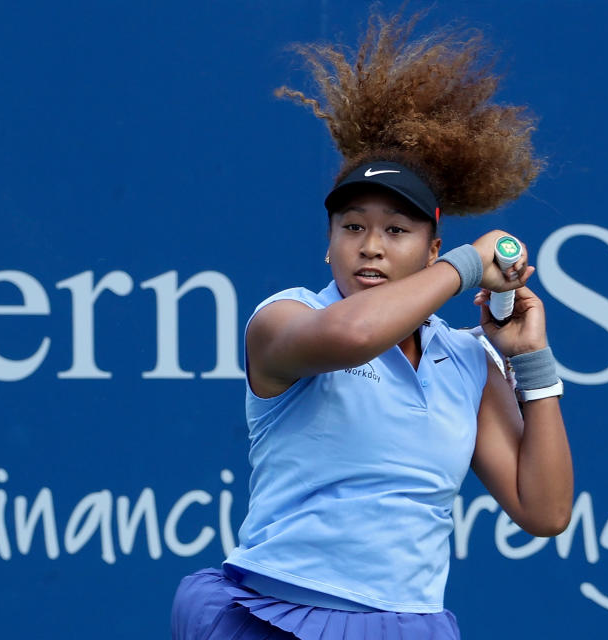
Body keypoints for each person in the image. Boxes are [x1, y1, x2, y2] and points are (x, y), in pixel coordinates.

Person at [171, 9, 573, 640]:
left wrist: (531, 363)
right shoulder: (283, 318)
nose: (371, 247)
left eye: (396, 230)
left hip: (406, 625)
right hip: (272, 619)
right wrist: (472, 264)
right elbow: (355, 335)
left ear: (430, 248)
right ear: (328, 244)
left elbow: (544, 510)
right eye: (352, 227)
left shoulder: (466, 360)